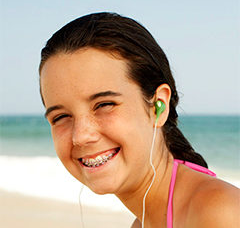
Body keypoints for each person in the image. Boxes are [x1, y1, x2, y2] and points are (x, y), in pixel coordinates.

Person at [39, 12, 239, 228]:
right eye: (61, 117)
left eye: (104, 105)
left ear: (157, 106)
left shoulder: (220, 213)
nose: (81, 135)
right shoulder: (143, 223)